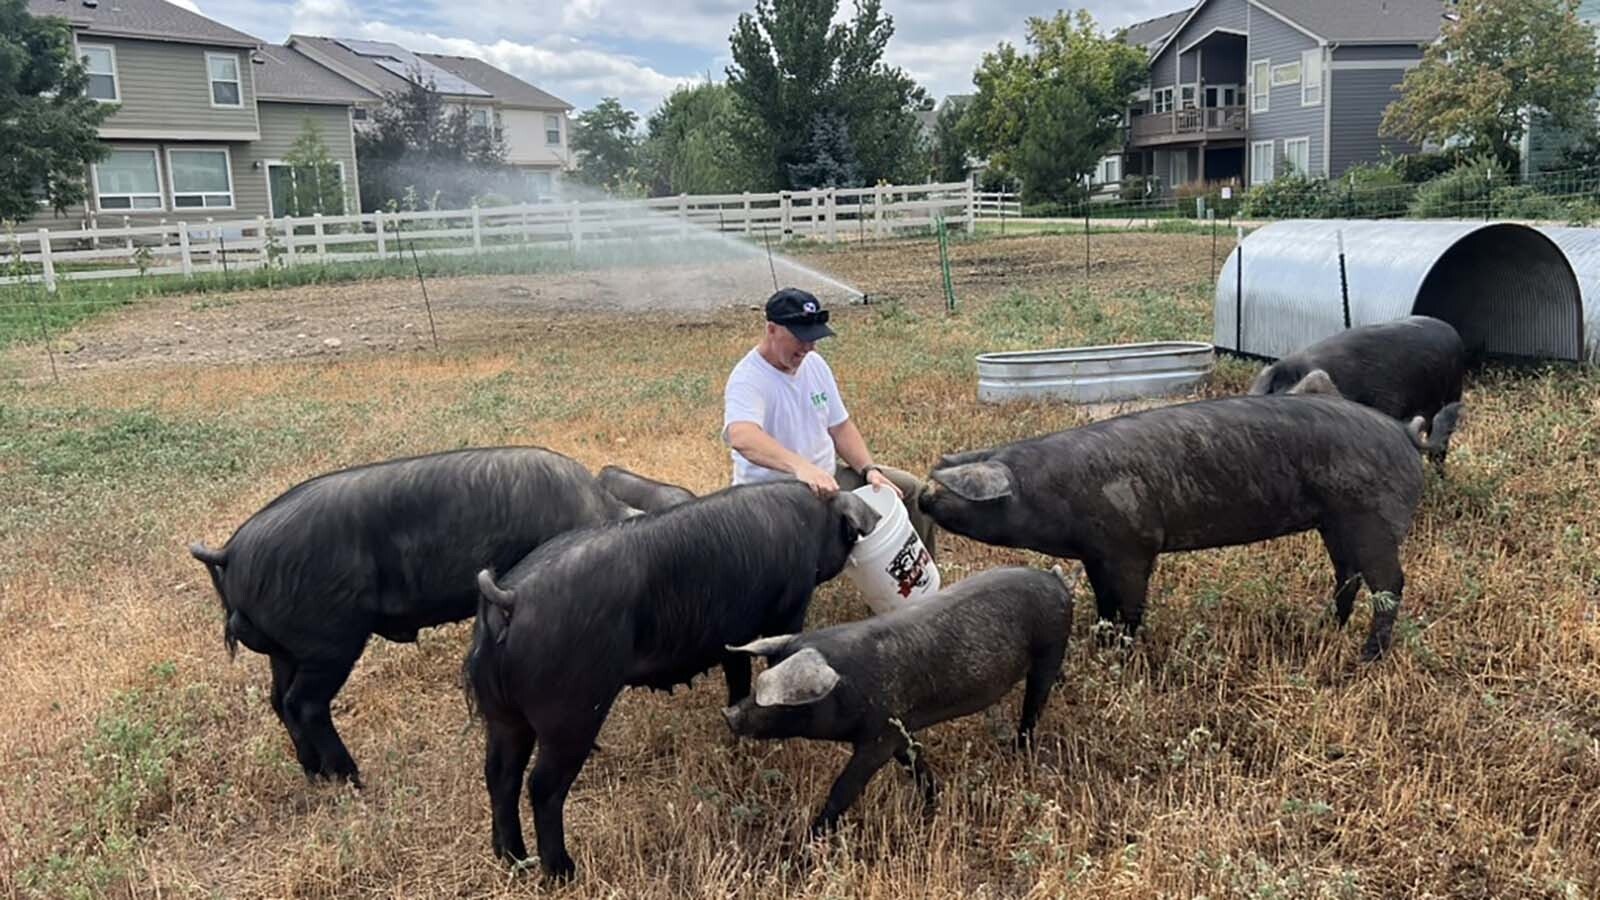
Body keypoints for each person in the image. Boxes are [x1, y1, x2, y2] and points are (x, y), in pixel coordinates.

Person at [721, 287, 936, 557]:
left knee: (911, 491)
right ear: (772, 329)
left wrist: (869, 469)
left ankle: (919, 584)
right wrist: (801, 468)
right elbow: (743, 436)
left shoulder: (815, 364)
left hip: (828, 480)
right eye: (800, 338)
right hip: (773, 494)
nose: (809, 347)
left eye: (814, 339)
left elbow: (840, 426)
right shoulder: (748, 378)